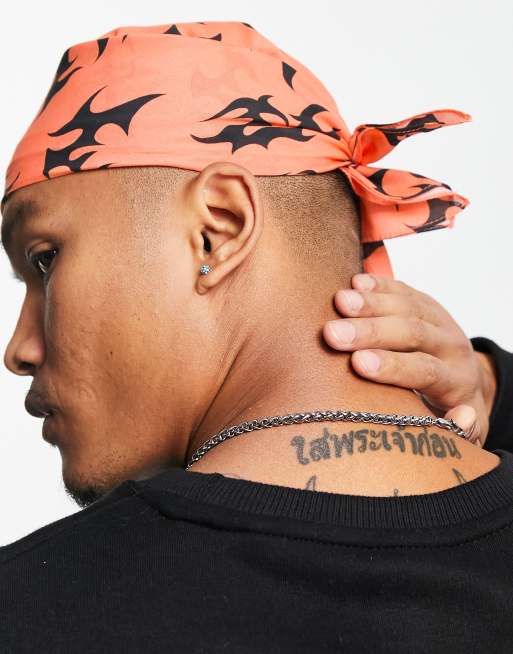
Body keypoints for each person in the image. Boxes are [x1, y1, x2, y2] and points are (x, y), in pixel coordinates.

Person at [1, 20, 513, 653]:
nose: (18, 350)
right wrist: (494, 385)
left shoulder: (30, 614)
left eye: (44, 259)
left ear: (218, 228)